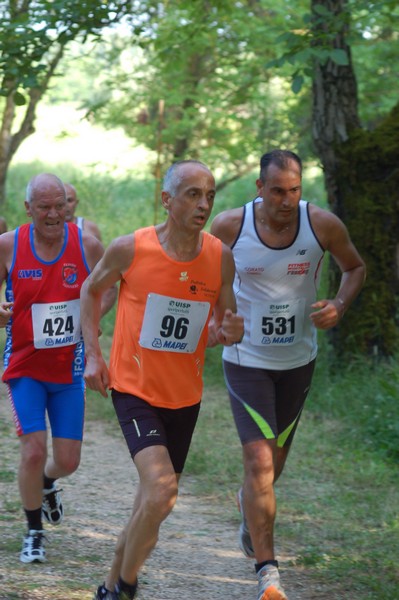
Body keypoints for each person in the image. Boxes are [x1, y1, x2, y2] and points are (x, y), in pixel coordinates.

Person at [80, 159, 244, 600]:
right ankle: (126, 590)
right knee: (163, 491)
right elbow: (91, 290)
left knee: (151, 504)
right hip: (134, 389)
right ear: (167, 200)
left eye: (209, 195)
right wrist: (93, 355)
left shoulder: (219, 257)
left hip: (184, 397)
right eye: (193, 194)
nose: (204, 204)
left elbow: (220, 327)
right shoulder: (130, 249)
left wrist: (230, 331)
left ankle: (110, 582)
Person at [210, 149, 366, 600]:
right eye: (277, 190)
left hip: (298, 361)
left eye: (294, 190)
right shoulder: (229, 227)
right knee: (258, 464)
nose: (286, 200)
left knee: (272, 468)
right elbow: (196, 278)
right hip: (245, 360)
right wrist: (220, 319)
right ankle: (268, 572)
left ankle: (247, 505)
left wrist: (338, 304)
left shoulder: (321, 225)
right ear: (259, 188)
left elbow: (354, 268)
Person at [0, 173, 116, 564]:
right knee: (33, 451)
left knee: (67, 461)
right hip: (25, 367)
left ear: (69, 206)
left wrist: (93, 316)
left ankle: (48, 483)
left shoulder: (86, 245)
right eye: (44, 207)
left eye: (60, 206)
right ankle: (34, 530)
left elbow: (111, 284)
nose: (53, 214)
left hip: (69, 370)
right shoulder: (8, 246)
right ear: (28, 208)